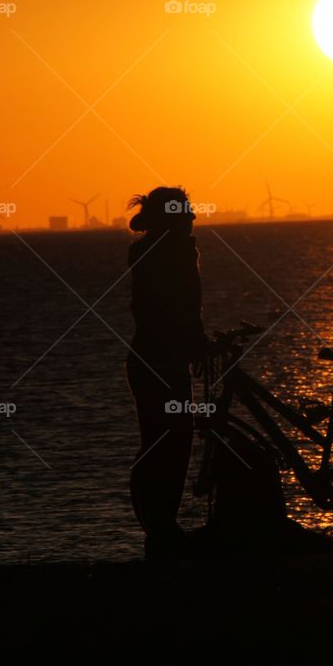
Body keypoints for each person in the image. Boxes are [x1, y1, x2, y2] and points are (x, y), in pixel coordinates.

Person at [125, 186, 207, 560]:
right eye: (186, 213)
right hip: (166, 359)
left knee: (155, 441)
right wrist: (198, 343)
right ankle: (163, 526)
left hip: (144, 356)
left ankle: (156, 524)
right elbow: (186, 304)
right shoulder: (178, 251)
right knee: (175, 442)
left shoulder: (141, 251)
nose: (192, 219)